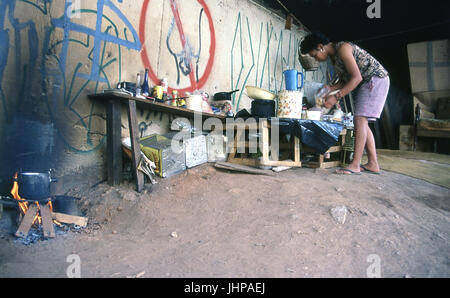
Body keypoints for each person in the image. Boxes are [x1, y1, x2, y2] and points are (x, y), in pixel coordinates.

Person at [300, 31, 390, 175]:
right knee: (362, 122)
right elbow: (345, 80)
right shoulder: (334, 57)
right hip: (367, 81)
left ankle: (355, 164)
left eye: (314, 55)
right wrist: (330, 88)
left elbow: (356, 77)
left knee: (360, 119)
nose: (315, 59)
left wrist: (335, 97)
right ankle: (373, 163)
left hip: (375, 79)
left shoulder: (343, 49)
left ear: (320, 47)